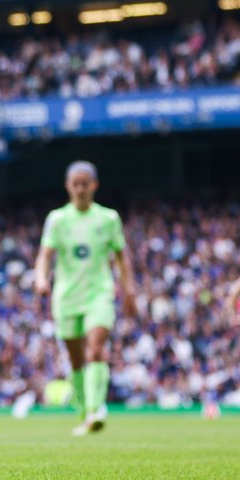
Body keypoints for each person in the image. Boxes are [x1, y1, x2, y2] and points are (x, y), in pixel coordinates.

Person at [34, 161, 138, 436]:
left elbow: (121, 257)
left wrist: (129, 290)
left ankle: (96, 409)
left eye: (85, 184)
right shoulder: (57, 219)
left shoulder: (108, 219)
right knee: (76, 358)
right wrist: (42, 279)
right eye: (75, 184)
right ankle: (84, 410)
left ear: (94, 186)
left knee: (95, 348)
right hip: (67, 297)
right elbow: (45, 256)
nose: (80, 189)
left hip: (99, 294)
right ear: (68, 186)